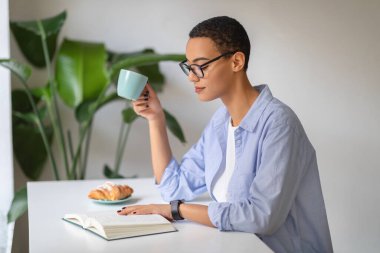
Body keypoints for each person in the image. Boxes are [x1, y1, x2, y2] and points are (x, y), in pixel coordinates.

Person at [117, 16, 333, 253]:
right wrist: (156, 118)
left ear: (236, 61)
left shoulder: (279, 125)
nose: (191, 76)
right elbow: (173, 188)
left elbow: (262, 217)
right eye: (189, 66)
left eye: (201, 65)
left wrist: (176, 210)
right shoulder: (220, 123)